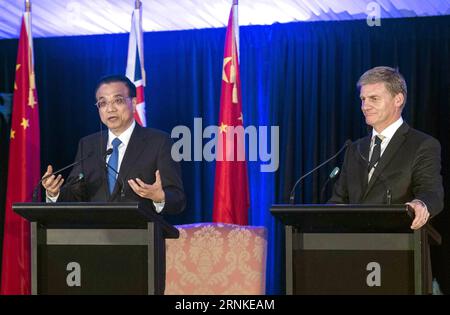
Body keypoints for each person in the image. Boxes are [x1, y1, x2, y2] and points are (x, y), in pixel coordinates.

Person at [41, 74, 186, 215]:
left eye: (118, 101)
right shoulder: (88, 145)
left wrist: (159, 197)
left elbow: (178, 200)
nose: (110, 109)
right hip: (95, 236)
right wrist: (54, 192)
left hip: (140, 235)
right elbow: (75, 194)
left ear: (134, 103)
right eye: (103, 103)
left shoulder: (159, 142)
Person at [329, 66, 443, 230]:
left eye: (374, 98)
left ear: (398, 100)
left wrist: (420, 204)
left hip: (398, 246)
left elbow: (431, 193)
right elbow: (339, 200)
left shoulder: (422, 145)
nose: (365, 106)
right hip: (353, 248)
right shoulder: (354, 149)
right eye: (363, 99)